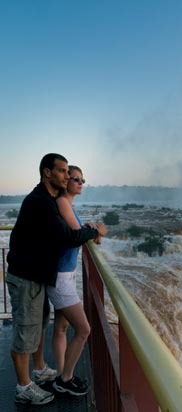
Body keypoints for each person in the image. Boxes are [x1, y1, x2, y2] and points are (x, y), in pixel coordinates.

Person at [6, 153, 106, 405]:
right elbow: (68, 237)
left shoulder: (49, 200)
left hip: (38, 275)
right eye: (62, 171)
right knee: (25, 331)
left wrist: (88, 230)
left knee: (38, 325)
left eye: (68, 172)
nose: (67, 175)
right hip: (26, 276)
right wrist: (94, 231)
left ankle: (39, 371)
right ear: (46, 173)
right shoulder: (41, 202)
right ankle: (23, 387)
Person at [49, 165, 103, 396]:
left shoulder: (69, 205)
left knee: (61, 327)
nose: (80, 183)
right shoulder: (62, 202)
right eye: (76, 179)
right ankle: (66, 379)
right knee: (84, 329)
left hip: (65, 274)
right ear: (65, 181)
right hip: (59, 277)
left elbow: (82, 233)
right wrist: (97, 230)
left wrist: (90, 228)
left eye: (83, 179)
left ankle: (62, 374)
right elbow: (78, 235)